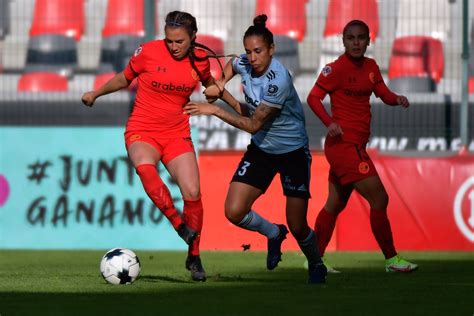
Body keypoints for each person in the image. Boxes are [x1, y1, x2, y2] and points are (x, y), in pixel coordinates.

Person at [184, 15, 327, 284]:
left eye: (258, 51)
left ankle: (316, 263)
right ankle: (273, 233)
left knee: (298, 225)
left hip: (292, 152)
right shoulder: (244, 63)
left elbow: (252, 124)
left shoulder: (279, 81)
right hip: (262, 149)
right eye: (249, 51)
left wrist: (215, 108)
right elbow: (232, 63)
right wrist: (221, 83)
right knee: (234, 211)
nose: (252, 57)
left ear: (272, 49)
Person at [81, 11, 217, 282]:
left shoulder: (200, 59)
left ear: (193, 38)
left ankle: (194, 255)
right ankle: (180, 226)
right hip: (142, 130)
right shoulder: (148, 52)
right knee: (145, 169)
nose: (173, 46)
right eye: (169, 40)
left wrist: (213, 93)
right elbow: (124, 78)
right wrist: (96, 93)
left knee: (192, 191)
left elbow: (211, 87)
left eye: (179, 41)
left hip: (177, 133)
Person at [306, 19, 418, 273]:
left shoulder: (371, 67)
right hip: (344, 146)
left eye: (361, 38)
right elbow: (313, 98)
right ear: (343, 41)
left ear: (369, 40)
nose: (356, 42)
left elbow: (383, 92)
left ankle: (314, 260)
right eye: (351, 38)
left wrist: (396, 99)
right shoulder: (334, 70)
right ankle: (392, 260)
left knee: (333, 205)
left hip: (355, 146)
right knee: (380, 198)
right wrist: (329, 122)